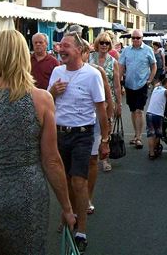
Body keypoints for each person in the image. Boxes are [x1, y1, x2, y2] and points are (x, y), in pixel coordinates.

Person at [0, 30, 75, 255]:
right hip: (30, 191)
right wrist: (66, 206)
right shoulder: (41, 98)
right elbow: (52, 161)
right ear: (22, 56)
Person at [47, 30, 110, 253]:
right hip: (59, 133)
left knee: (78, 182)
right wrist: (53, 92)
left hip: (83, 134)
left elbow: (101, 110)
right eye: (60, 46)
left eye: (66, 46)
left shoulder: (92, 75)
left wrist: (105, 140)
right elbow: (47, 103)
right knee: (63, 181)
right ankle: (69, 214)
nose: (61, 49)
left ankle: (81, 229)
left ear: (79, 50)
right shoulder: (56, 71)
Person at [79, 39, 113, 215]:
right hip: (72, 127)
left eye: (83, 51)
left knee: (92, 160)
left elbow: (108, 99)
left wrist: (108, 121)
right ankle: (74, 202)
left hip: (94, 124)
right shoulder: (62, 71)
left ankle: (87, 198)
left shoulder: (97, 71)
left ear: (87, 53)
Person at [89, 31, 122, 172]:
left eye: (107, 43)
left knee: (105, 131)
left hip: (108, 101)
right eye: (101, 42)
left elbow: (116, 85)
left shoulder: (113, 62)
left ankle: (104, 159)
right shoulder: (89, 58)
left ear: (110, 45)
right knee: (89, 129)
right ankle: (91, 158)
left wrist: (118, 104)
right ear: (97, 44)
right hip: (90, 100)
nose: (104, 45)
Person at [118, 29, 156, 149]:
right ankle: (135, 135)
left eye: (137, 38)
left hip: (141, 85)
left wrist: (150, 80)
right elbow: (121, 66)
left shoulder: (148, 50)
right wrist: (119, 82)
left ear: (142, 38)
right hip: (129, 84)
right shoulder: (126, 50)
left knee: (139, 110)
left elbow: (153, 65)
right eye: (133, 38)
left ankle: (139, 137)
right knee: (133, 111)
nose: (135, 40)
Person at [145, 78, 167, 159]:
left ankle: (151, 153)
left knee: (151, 134)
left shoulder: (156, 88)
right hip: (158, 115)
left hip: (149, 113)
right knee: (158, 133)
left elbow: (156, 83)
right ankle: (155, 149)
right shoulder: (166, 92)